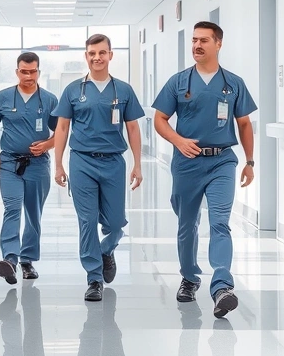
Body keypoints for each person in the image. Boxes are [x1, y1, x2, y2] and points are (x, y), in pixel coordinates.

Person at [152, 21, 256, 318]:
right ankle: (189, 277)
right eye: (194, 40)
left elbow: (245, 123)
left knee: (220, 222)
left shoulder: (233, 83)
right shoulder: (178, 81)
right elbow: (160, 119)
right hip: (187, 162)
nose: (197, 45)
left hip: (222, 160)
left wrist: (249, 162)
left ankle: (222, 286)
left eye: (204, 41)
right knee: (187, 225)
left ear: (218, 44)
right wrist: (178, 141)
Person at [52, 33, 144, 302]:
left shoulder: (123, 90)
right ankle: (94, 278)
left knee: (115, 223)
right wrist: (58, 164)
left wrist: (138, 164)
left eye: (102, 53)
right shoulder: (73, 90)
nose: (97, 58)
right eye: (92, 53)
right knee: (87, 221)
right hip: (82, 161)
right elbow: (62, 127)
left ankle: (106, 250)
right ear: (86, 56)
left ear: (111, 55)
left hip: (114, 162)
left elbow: (134, 128)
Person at [0, 52, 60, 284]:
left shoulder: (48, 100)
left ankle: (27, 260)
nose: (28, 75)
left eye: (33, 71)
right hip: (9, 162)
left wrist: (47, 144)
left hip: (38, 165)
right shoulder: (3, 97)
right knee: (12, 208)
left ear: (39, 71)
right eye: (24, 71)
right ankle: (10, 258)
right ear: (17, 71)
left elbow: (62, 132)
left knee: (33, 213)